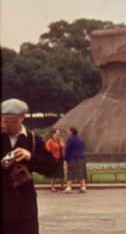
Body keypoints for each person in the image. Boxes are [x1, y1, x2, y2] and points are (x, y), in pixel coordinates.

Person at [2, 98, 57, 234]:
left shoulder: (33, 140)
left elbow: (51, 168)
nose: (7, 125)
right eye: (5, 120)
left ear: (22, 118)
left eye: (12, 121)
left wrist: (30, 157)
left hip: (24, 208)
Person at [64, 127, 87, 193]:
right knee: (81, 172)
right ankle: (83, 187)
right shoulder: (81, 138)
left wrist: (66, 159)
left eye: (68, 131)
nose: (67, 132)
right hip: (81, 157)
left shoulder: (70, 139)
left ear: (71, 132)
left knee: (70, 172)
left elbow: (67, 149)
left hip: (72, 158)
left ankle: (69, 187)